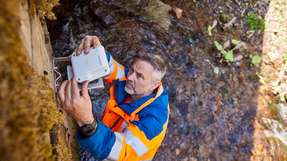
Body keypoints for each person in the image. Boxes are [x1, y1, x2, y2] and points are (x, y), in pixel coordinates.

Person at [58, 35, 169, 161]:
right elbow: (111, 68)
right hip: (110, 137)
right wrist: (97, 52)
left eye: (139, 76)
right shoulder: (134, 81)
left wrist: (87, 121)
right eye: (132, 70)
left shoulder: (153, 121)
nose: (130, 77)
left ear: (154, 85)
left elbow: (123, 154)